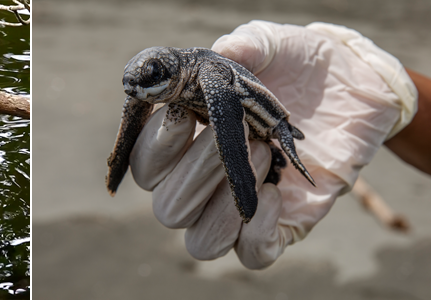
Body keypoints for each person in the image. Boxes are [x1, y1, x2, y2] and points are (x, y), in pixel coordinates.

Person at [128, 20, 431, 269]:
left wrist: (243, 190)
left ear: (172, 66)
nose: (139, 90)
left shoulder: (205, 70)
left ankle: (258, 183)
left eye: (151, 75)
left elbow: (230, 128)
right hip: (256, 138)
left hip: (272, 124)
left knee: (238, 144)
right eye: (132, 85)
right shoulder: (157, 87)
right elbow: (138, 99)